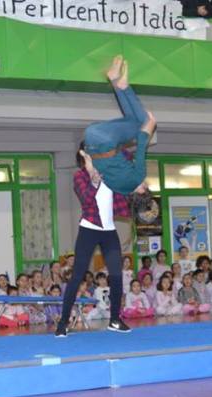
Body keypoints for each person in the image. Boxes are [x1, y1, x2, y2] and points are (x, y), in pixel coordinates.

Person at [57, 58, 156, 338]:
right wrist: (92, 176)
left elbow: (129, 166)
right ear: (84, 156)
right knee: (77, 276)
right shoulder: (79, 176)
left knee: (116, 275)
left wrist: (140, 186)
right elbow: (87, 199)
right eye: (86, 155)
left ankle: (115, 319)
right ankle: (62, 323)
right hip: (89, 230)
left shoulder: (113, 164)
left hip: (109, 230)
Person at [81, 55, 156, 196]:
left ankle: (122, 85)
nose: (145, 183)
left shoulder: (138, 178)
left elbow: (141, 147)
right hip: (91, 138)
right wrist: (88, 161)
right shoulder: (114, 188)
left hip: (106, 139)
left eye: (145, 186)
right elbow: (94, 172)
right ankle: (116, 80)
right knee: (133, 120)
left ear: (142, 190)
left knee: (144, 120)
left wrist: (149, 128)